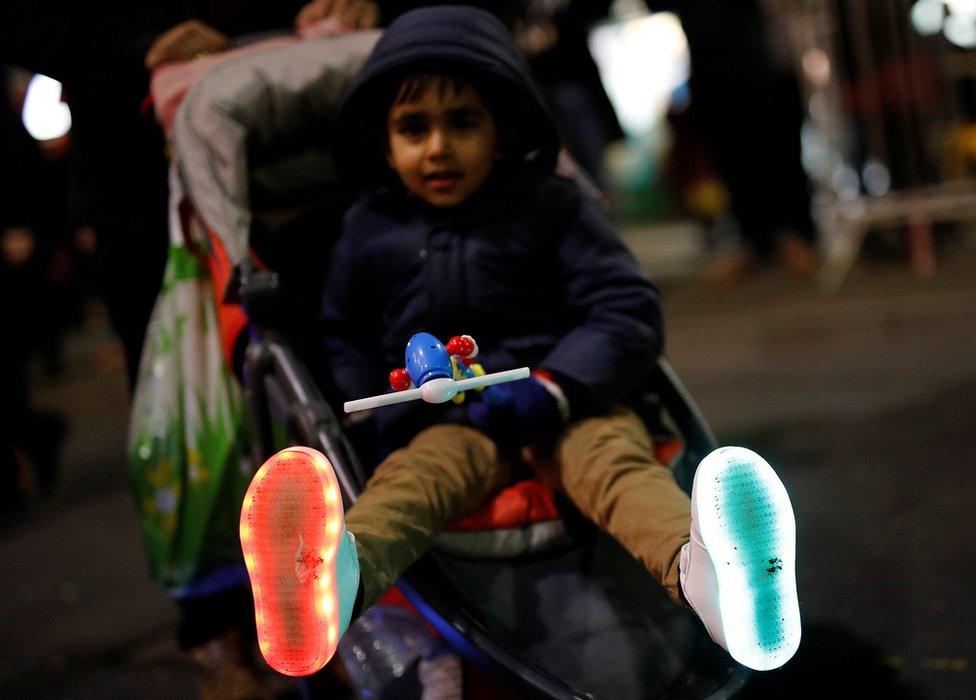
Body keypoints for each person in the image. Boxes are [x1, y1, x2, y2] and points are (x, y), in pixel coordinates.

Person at [241, 5, 801, 679]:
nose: (438, 147)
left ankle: (712, 578)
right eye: (413, 128)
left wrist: (559, 387)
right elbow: (343, 335)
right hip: (444, 424)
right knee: (408, 486)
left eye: (463, 122)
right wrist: (387, 422)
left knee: (617, 469)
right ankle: (330, 582)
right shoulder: (368, 229)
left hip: (562, 404)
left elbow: (624, 307)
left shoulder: (548, 206)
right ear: (382, 144)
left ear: (503, 128)